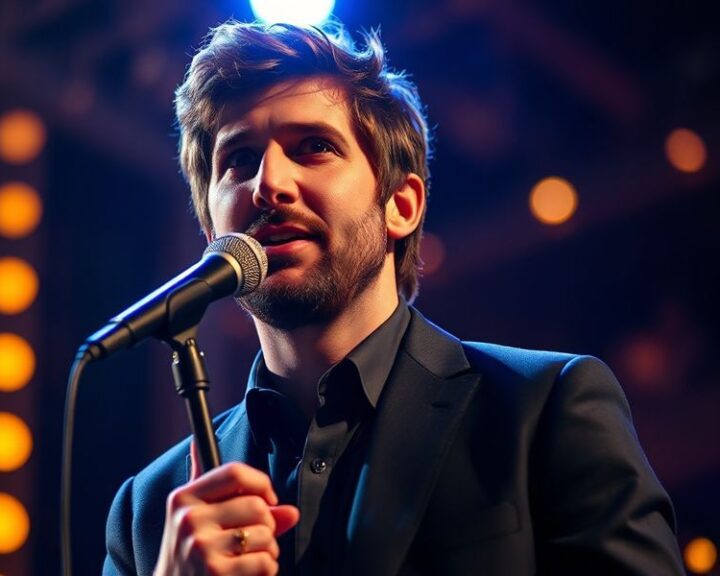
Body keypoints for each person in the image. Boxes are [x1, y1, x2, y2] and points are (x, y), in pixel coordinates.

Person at [103, 20, 685, 575]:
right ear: (211, 234)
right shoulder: (148, 513)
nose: (269, 184)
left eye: (312, 147)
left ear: (401, 206)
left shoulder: (544, 410)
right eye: (239, 160)